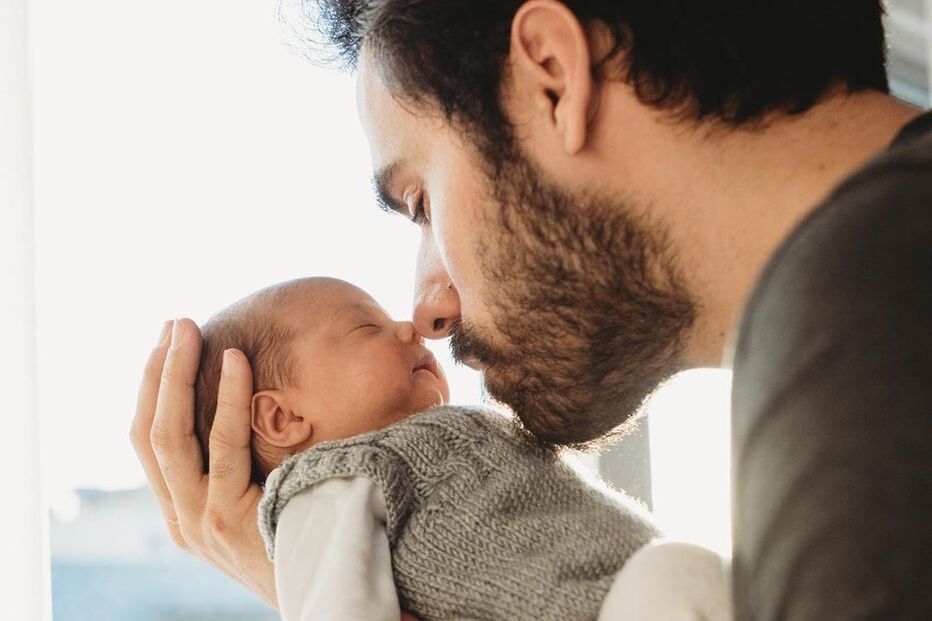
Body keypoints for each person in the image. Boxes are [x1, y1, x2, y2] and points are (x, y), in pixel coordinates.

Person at [130, 1, 932, 618]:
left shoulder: (864, 315)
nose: (429, 309)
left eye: (418, 200)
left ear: (552, 76)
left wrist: (294, 569)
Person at [191, 276, 724, 620]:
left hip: (638, 589)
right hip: (613, 603)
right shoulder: (329, 480)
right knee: (678, 573)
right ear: (282, 417)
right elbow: (337, 606)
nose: (408, 329)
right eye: (365, 327)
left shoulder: (449, 436)